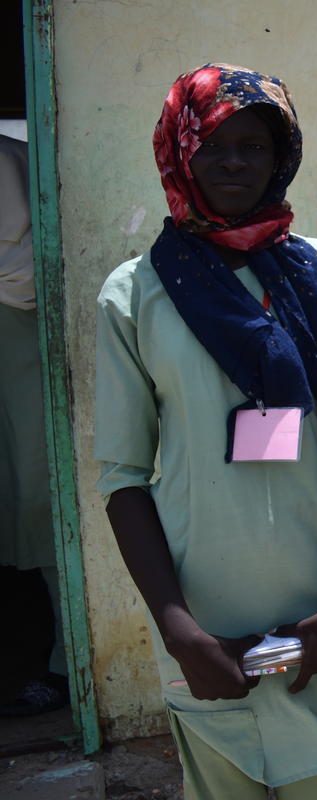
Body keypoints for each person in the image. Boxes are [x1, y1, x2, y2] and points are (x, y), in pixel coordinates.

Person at [95, 64, 317, 799]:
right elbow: (123, 478)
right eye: (213, 145)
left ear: (282, 156)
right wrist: (180, 631)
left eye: (255, 145)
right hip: (209, 628)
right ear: (178, 153)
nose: (235, 162)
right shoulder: (136, 293)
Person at [0, 131, 69, 717]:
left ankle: (65, 662)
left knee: (39, 499)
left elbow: (21, 271)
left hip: (19, 332)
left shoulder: (4, 160)